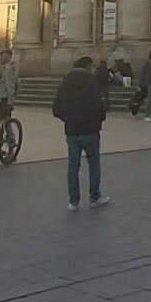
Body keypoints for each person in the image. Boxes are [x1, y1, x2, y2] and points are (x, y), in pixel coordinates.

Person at [51, 56, 109, 211]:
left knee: (73, 166)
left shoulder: (65, 82)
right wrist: (99, 121)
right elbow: (99, 105)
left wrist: (68, 119)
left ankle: (73, 201)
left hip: (72, 130)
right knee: (94, 163)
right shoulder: (91, 82)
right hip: (90, 129)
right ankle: (94, 197)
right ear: (88, 67)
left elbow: (56, 109)